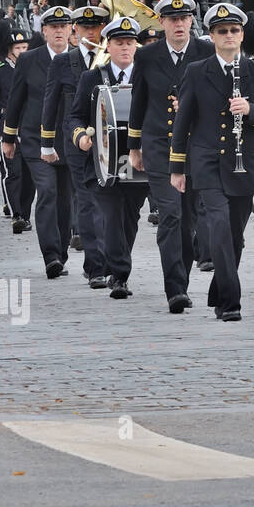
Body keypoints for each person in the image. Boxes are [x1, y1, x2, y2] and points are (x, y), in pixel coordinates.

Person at [169, 3, 254, 322]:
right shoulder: (196, 71)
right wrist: (177, 168)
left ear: (242, 34)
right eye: (222, 31)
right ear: (212, 36)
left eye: (234, 30)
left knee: (234, 236)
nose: (229, 36)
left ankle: (219, 289)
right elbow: (183, 121)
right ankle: (231, 302)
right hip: (206, 163)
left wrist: (252, 111)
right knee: (217, 227)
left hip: (244, 164)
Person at [128, 0, 215, 311]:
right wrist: (134, 146)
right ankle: (175, 288)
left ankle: (184, 279)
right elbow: (138, 101)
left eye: (184, 18)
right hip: (160, 146)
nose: (179, 24)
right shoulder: (148, 56)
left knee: (189, 219)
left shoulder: (206, 51)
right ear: (162, 22)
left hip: (195, 148)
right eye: (172, 19)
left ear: (192, 20)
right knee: (171, 215)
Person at [70, 16, 150, 299]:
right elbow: (76, 115)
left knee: (130, 217)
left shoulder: (147, 76)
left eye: (130, 43)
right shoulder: (92, 77)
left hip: (136, 161)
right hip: (103, 162)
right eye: (119, 43)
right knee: (112, 217)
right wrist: (81, 136)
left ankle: (119, 265)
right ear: (109, 45)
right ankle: (119, 275)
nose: (125, 48)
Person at [2, 5, 75, 277]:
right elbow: (16, 100)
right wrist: (9, 138)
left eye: (63, 26)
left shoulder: (80, 60)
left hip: (69, 142)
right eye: (53, 27)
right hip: (35, 140)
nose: (58, 31)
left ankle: (62, 250)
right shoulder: (29, 60)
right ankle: (51, 256)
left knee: (67, 200)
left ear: (71, 30)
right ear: (44, 31)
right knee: (47, 191)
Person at [42, 4, 110, 282]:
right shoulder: (63, 62)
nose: (90, 31)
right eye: (84, 27)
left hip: (109, 142)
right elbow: (51, 103)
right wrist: (47, 143)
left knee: (108, 203)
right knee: (86, 201)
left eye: (95, 27)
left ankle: (109, 259)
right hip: (76, 143)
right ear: (76, 30)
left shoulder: (110, 59)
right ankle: (95, 267)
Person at [0, 29, 34, 234]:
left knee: (30, 176)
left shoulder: (35, 69)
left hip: (30, 128)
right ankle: (16, 214)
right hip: (8, 127)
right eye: (18, 48)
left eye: (25, 47)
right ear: (9, 51)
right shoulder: (0, 70)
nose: (22, 51)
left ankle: (25, 212)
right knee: (13, 172)